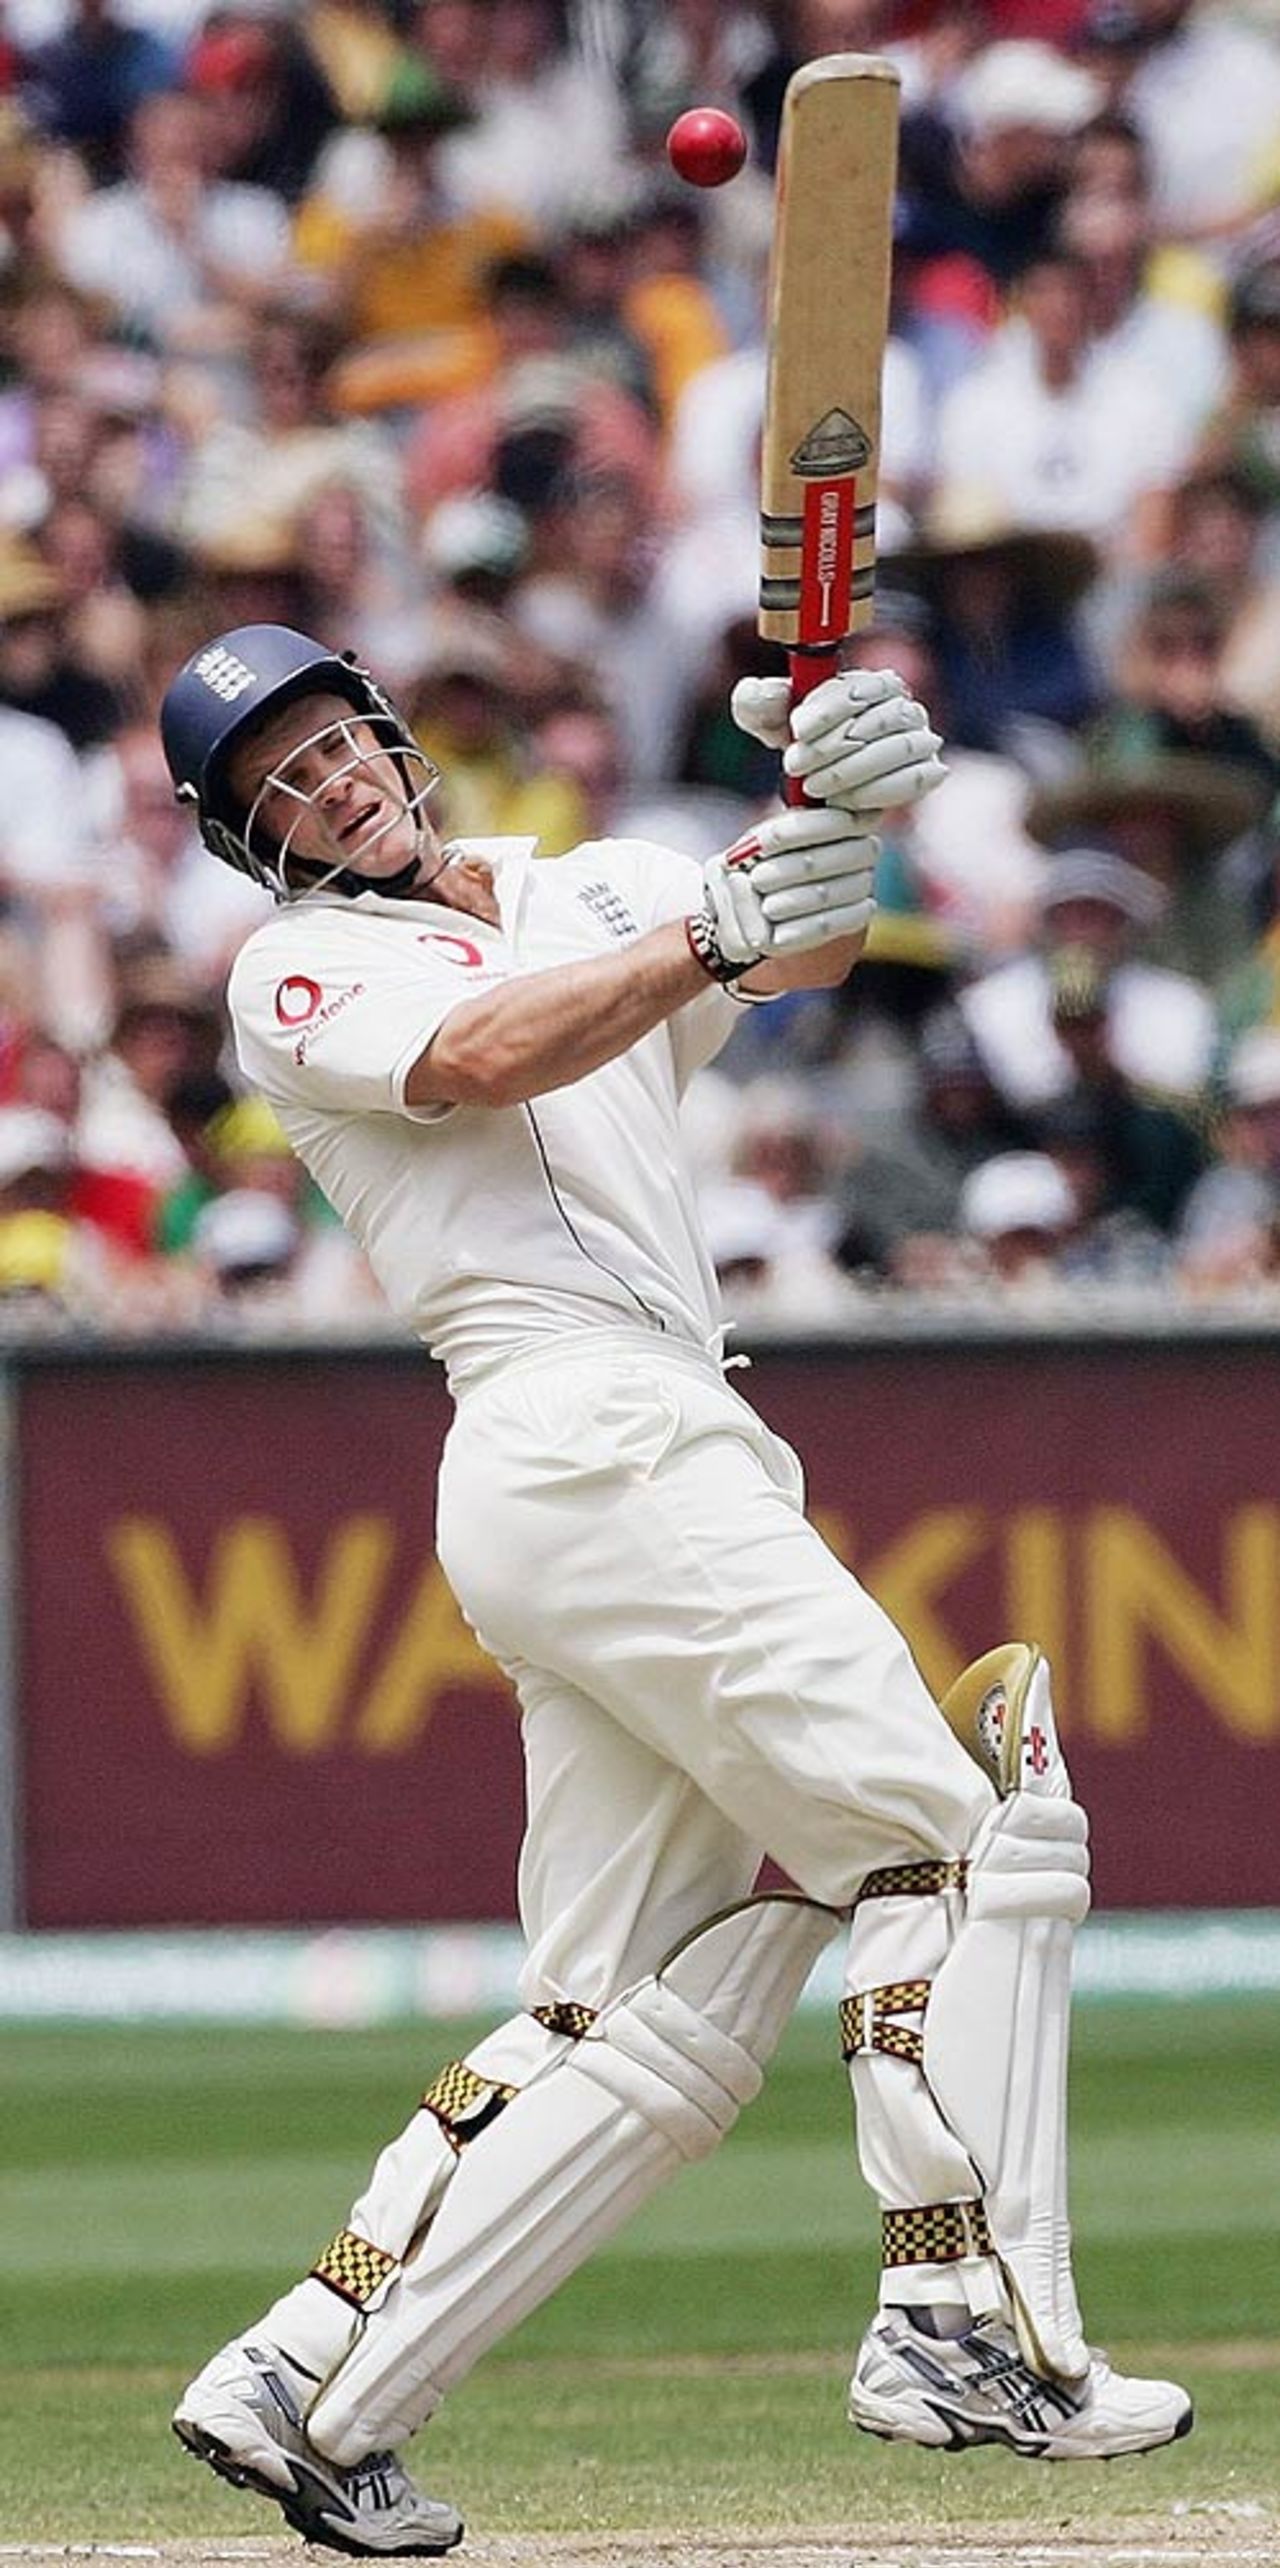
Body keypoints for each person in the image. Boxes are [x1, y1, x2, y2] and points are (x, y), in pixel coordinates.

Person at [158, 621, 1191, 2556]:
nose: (327, 787)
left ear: (390, 730)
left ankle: (317, 2376)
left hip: (640, 1440)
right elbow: (479, 1056)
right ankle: (959, 2319)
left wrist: (845, 790)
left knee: (632, 2004)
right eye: (276, 785)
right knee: (953, 1842)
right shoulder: (301, 968)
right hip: (571, 1430)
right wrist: (704, 934)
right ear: (253, 842)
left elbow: (795, 943)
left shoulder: (588, 880)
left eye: (331, 744)